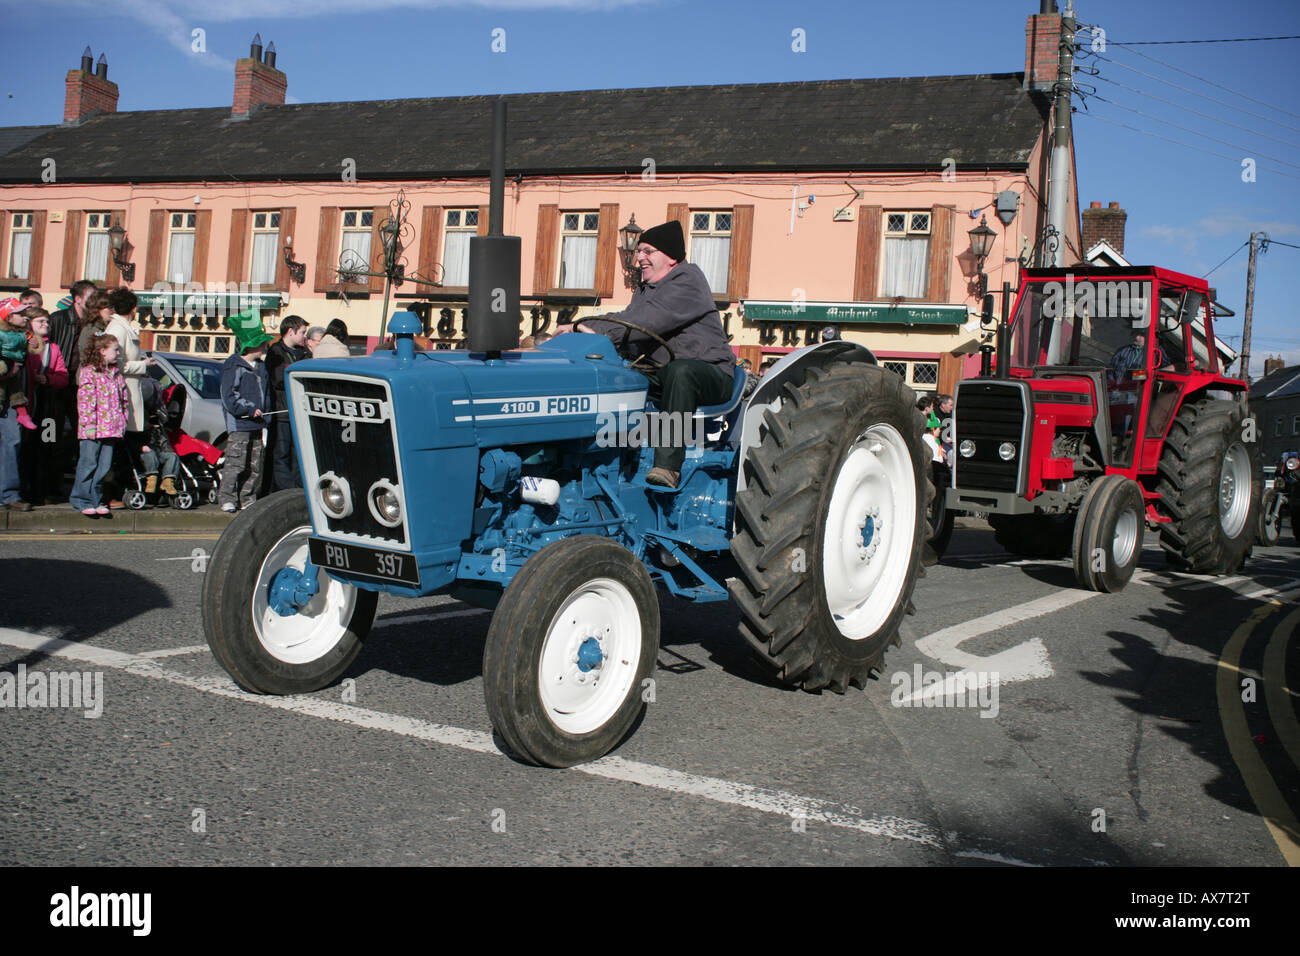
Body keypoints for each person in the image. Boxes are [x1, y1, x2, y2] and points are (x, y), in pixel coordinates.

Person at [557, 220, 734, 489]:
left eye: (648, 251)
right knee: (612, 377)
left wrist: (587, 326)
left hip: (711, 374)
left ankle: (668, 466)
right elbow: (627, 320)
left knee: (682, 371)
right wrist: (581, 330)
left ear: (671, 257)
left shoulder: (687, 282)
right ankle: (590, 453)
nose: (639, 258)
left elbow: (644, 323)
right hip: (663, 374)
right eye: (639, 251)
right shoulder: (646, 289)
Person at [103, 287, 155, 508]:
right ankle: (112, 492)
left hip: (129, 391)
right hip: (122, 393)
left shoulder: (121, 327)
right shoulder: (117, 328)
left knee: (126, 446)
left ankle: (121, 489)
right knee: (119, 447)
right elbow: (117, 363)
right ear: (133, 308)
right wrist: (142, 365)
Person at [218, 311, 273, 512]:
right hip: (241, 423)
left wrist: (265, 413)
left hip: (258, 424)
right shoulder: (233, 366)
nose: (265, 347)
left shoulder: (261, 367)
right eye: (262, 343)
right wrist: (249, 410)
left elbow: (266, 394)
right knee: (236, 462)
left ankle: (247, 497)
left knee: (255, 465)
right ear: (252, 345)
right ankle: (227, 498)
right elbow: (228, 397)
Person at [70, 333, 130, 517]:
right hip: (93, 430)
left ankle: (97, 499)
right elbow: (86, 401)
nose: (118, 353)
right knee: (88, 464)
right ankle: (81, 499)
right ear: (102, 351)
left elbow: (123, 400)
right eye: (115, 349)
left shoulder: (115, 374)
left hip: (111, 429)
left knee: (104, 467)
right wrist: (88, 425)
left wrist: (122, 420)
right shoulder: (89, 372)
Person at [20, 308, 70, 504]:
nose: (45, 325)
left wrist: (48, 379)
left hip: (47, 407)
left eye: (47, 322)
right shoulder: (22, 342)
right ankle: (24, 490)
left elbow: (63, 376)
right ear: (29, 323)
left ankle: (41, 491)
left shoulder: (54, 348)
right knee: (24, 448)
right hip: (26, 404)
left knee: (45, 447)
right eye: (40, 321)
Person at [264, 314, 308, 491]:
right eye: (302, 332)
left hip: (299, 412)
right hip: (282, 412)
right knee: (280, 453)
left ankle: (297, 489)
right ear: (291, 331)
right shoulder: (276, 352)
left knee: (298, 455)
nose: (304, 336)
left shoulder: (305, 353)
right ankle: (284, 490)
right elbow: (277, 379)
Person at [0, 298, 36, 431]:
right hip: (5, 363)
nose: (25, 318)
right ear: (9, 317)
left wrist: (35, 344)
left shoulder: (23, 332)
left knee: (17, 393)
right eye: (20, 315)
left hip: (16, 366)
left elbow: (33, 341)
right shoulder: (1, 333)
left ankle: (22, 414)